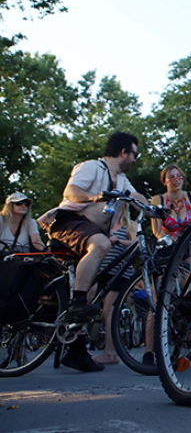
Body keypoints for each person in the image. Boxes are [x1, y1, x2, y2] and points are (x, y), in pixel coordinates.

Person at [41, 131, 148, 372]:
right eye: (134, 154)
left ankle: (76, 351)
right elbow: (71, 192)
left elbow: (135, 197)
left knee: (93, 291)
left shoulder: (121, 180)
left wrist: (153, 208)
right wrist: (95, 196)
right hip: (70, 224)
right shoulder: (92, 167)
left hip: (90, 234)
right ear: (124, 152)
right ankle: (78, 300)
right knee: (101, 245)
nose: (135, 159)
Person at [94, 203, 137, 365]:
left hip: (119, 272)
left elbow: (136, 243)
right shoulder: (103, 225)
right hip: (102, 271)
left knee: (109, 310)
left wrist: (118, 241)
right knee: (95, 307)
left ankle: (110, 353)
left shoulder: (130, 225)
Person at [150, 164, 191, 266]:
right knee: (164, 272)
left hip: (188, 243)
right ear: (165, 182)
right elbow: (157, 230)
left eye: (179, 176)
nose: (176, 180)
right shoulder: (158, 200)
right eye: (172, 177)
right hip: (167, 244)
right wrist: (168, 240)